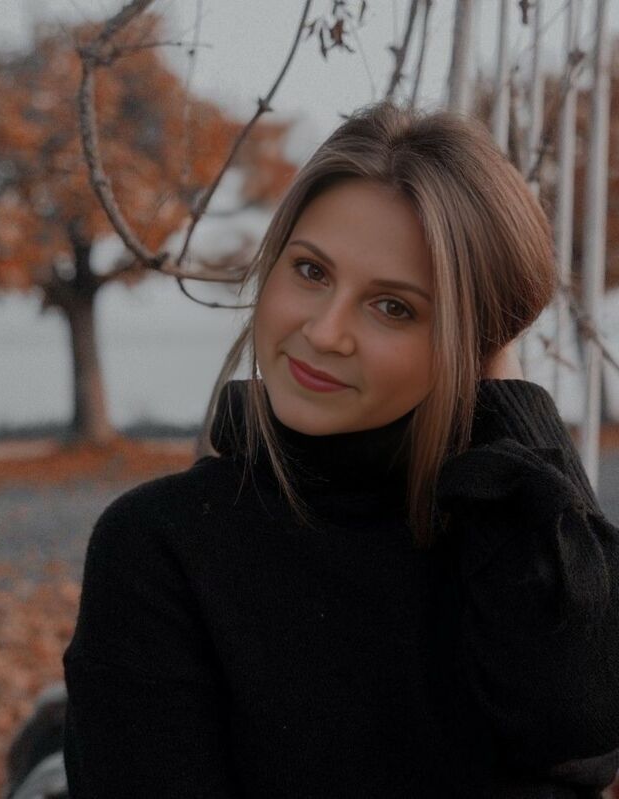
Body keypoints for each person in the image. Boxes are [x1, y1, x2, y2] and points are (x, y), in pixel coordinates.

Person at [62, 100, 619, 798]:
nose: (325, 332)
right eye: (311, 271)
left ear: (468, 345)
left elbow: (582, 725)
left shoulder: (504, 535)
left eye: (394, 307)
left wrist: (505, 399)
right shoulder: (162, 546)